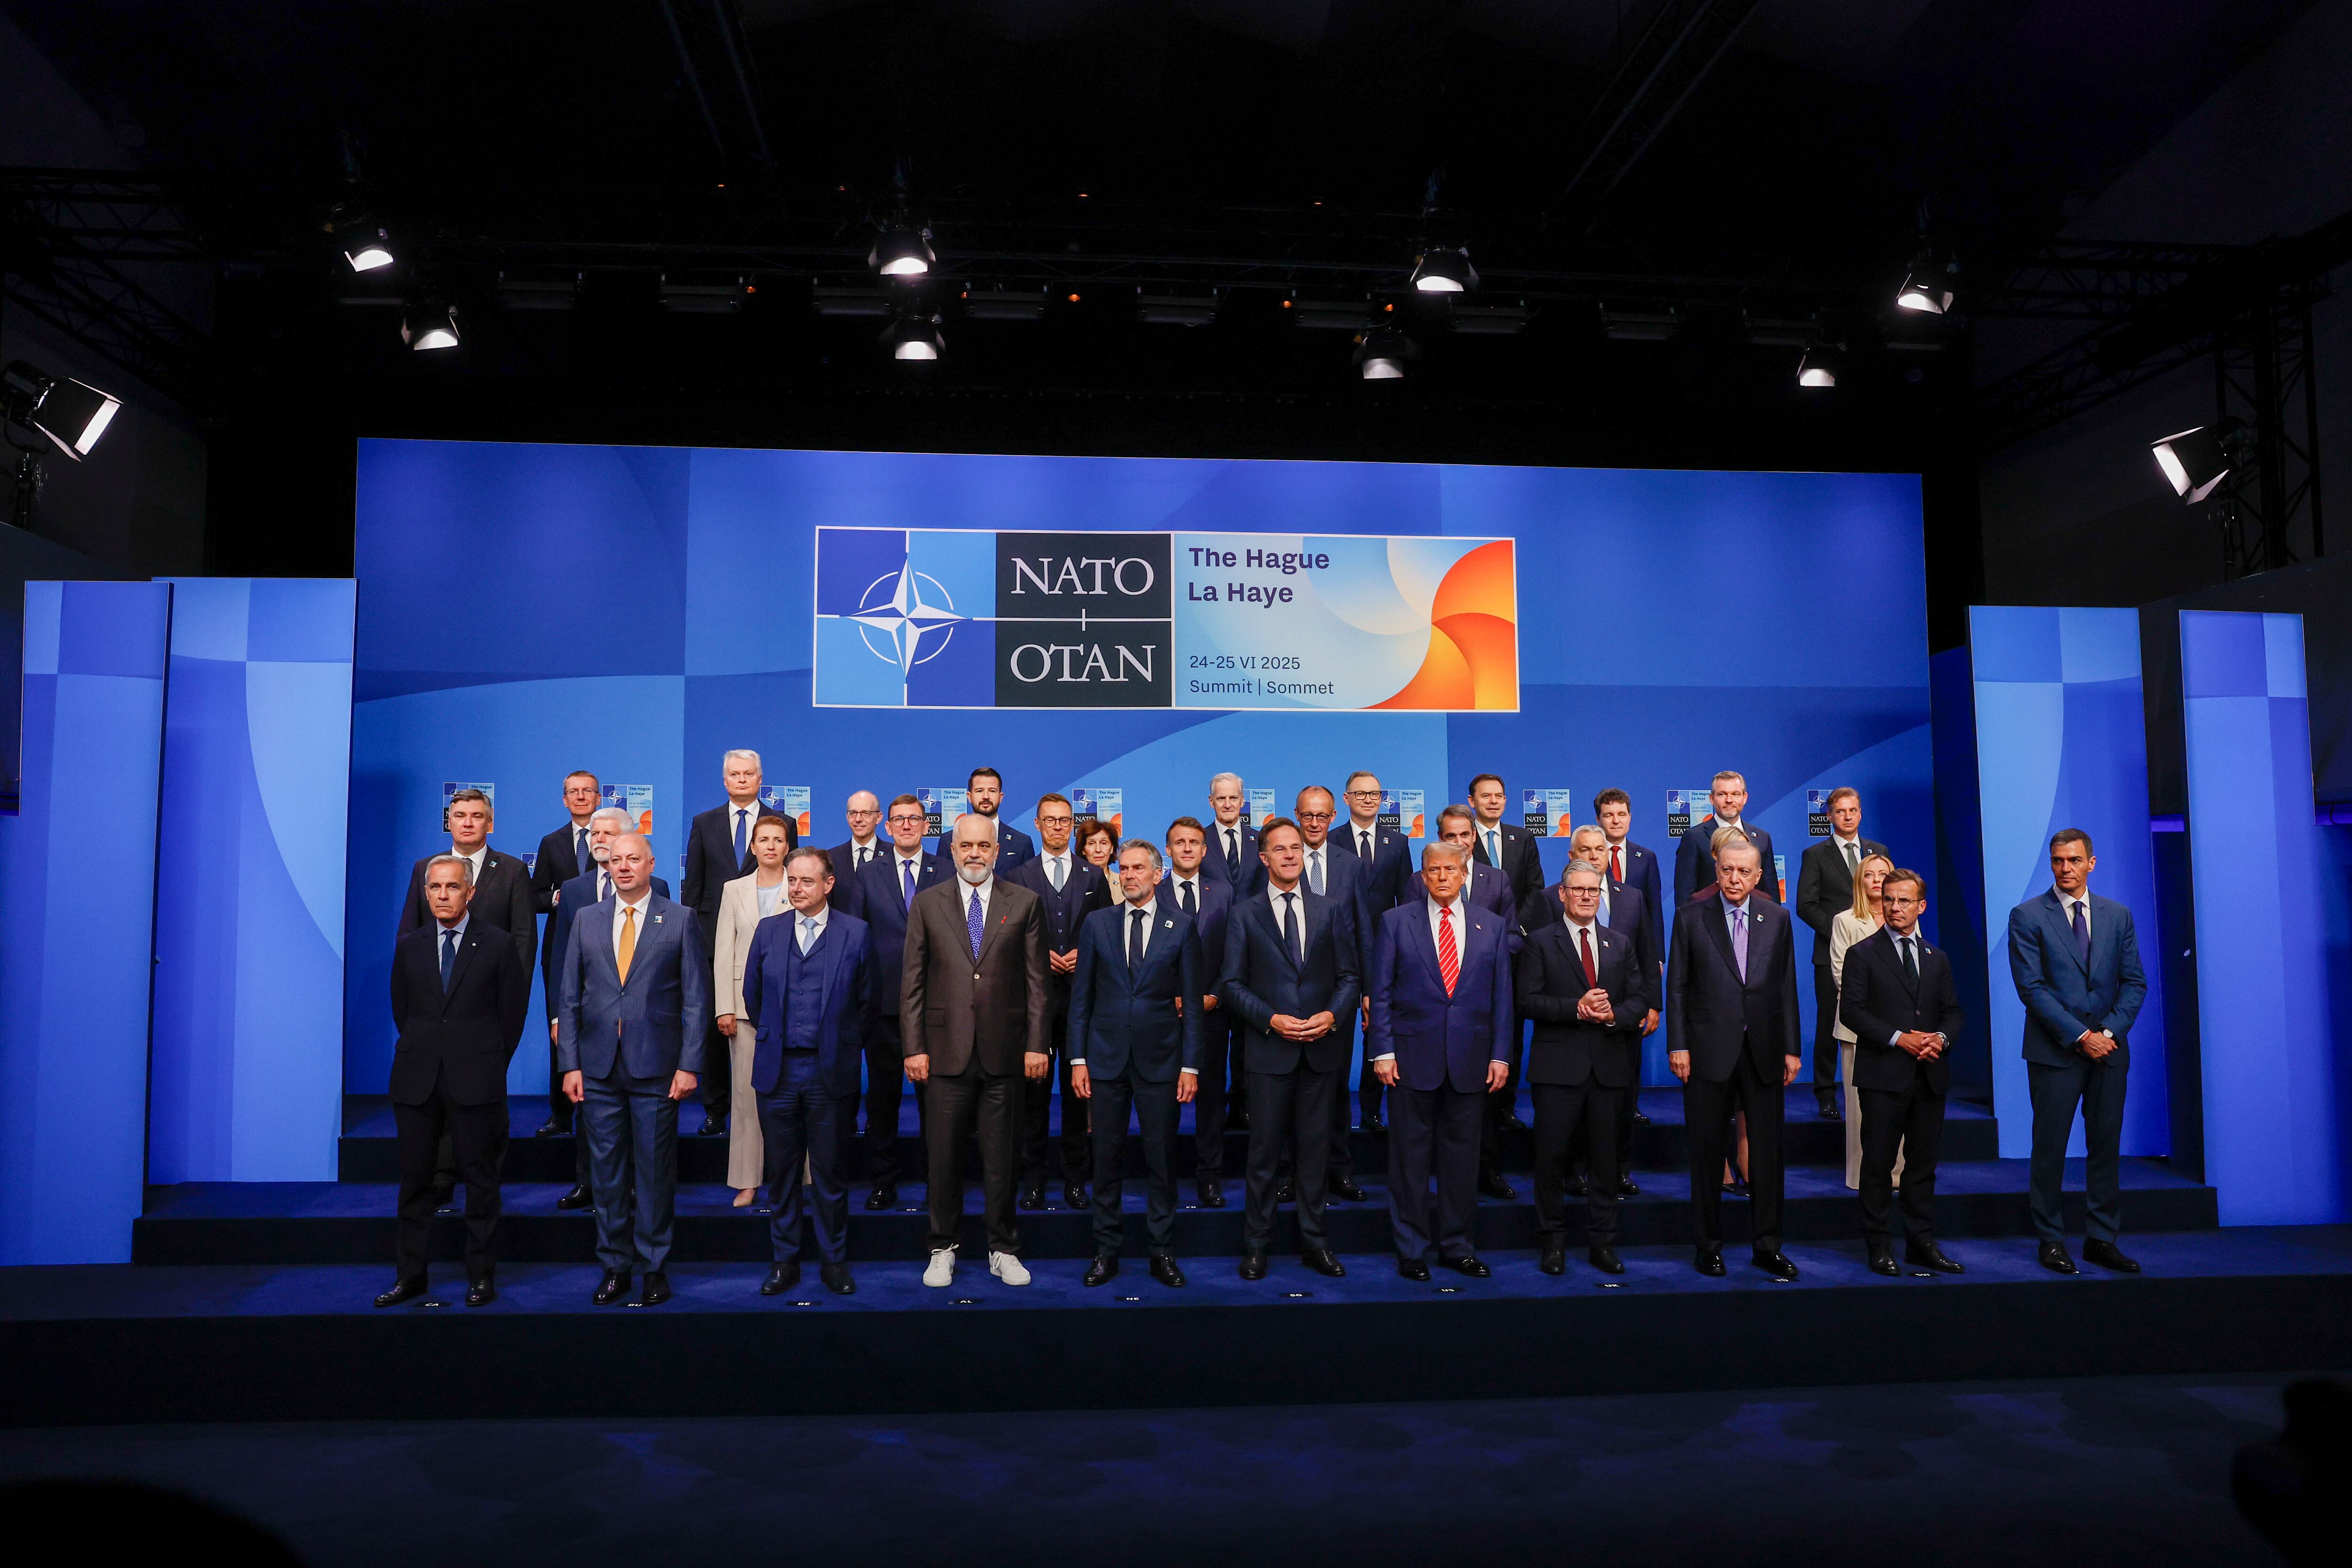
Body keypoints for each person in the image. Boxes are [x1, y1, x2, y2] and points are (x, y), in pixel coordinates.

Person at [556, 833, 709, 1307]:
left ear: (651, 864)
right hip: (598, 1067)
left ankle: (654, 1267)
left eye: (632, 860)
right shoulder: (586, 919)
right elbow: (569, 997)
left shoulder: (680, 918)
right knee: (605, 1175)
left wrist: (689, 1065)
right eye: (615, 860)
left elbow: (696, 998)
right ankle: (615, 1267)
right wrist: (570, 1065)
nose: (623, 867)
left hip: (658, 1069)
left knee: (655, 1174)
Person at [903, 813, 1050, 1289]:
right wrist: (914, 1047)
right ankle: (941, 1247)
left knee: (1001, 1159)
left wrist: (1035, 1044)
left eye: (982, 846)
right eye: (965, 846)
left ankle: (1002, 1247)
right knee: (942, 1157)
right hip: (943, 1053)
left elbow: (1037, 983)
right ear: (951, 850)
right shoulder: (926, 904)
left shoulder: (1025, 902)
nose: (973, 854)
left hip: (1004, 1054)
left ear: (996, 850)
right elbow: (913, 984)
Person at [376, 855, 530, 1309]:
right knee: (415, 1183)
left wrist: (488, 1061)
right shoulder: (410, 945)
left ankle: (481, 1278)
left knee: (481, 1183)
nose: (444, 895)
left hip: (476, 1078)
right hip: (417, 1079)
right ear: (427, 893)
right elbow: (403, 1010)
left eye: (453, 887)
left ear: (471, 893)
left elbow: (512, 1015)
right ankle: (411, 1277)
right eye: (436, 888)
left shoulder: (499, 945)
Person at [1219, 816, 1360, 1281]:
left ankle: (1314, 1244)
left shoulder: (1331, 908)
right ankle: (1256, 1246)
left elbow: (1348, 977)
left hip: (1320, 1051)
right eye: (1278, 849)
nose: (1288, 855)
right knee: (1262, 1157)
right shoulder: (1244, 913)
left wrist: (1332, 1016)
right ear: (1263, 859)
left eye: (1294, 848)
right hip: (1267, 1052)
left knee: (1314, 1154)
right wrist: (1270, 1019)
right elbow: (1232, 984)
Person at [1367, 840, 1514, 1280]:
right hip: (1410, 1060)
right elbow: (1383, 992)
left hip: (1471, 1060)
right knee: (1409, 1162)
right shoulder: (1395, 922)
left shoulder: (1492, 925)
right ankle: (1411, 1248)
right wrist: (1383, 1050)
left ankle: (1456, 1246)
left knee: (1461, 1162)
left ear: (1465, 873)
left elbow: (1501, 997)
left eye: (1452, 869)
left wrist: (1501, 1054)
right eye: (1434, 870)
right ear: (1424, 876)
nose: (1443, 876)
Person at [2008, 828, 2147, 1276]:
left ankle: (2102, 1239)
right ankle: (2051, 1240)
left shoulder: (2118, 915)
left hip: (2109, 1052)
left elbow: (2134, 983)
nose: (2064, 868)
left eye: (2073, 860)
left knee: (2105, 1148)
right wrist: (2080, 1036)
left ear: (2091, 862)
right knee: (2049, 1149)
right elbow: (2031, 988)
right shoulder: (2027, 915)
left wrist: (2106, 1031)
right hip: (2056, 1053)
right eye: (2057, 861)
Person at [1068, 838, 1205, 1288]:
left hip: (1162, 1063)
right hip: (1104, 1062)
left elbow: (1192, 1003)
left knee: (1161, 1162)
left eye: (1137, 869)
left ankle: (1162, 1251)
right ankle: (1106, 1252)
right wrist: (1078, 1058)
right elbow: (1081, 999)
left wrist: (1190, 1065)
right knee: (1105, 1161)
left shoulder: (1181, 925)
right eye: (1122, 869)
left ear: (1157, 874)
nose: (1128, 876)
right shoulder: (1096, 924)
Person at [739, 847, 875, 1297]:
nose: (797, 889)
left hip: (829, 1072)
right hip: (777, 1072)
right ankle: (785, 1261)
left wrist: (838, 1044)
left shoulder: (856, 934)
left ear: (828, 885)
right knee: (781, 1172)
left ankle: (834, 1261)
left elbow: (866, 1004)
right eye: (792, 881)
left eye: (807, 882)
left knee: (831, 1173)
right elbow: (753, 997)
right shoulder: (768, 930)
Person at [1665, 835, 1802, 1280]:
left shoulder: (1778, 918)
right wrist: (1678, 1043)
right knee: (1706, 1155)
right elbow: (1679, 987)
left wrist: (1792, 1047)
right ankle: (1708, 1246)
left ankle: (1767, 1246)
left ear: (1760, 875)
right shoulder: (1690, 917)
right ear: (1716, 869)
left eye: (1745, 871)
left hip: (1763, 1051)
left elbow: (1786, 988)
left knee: (1767, 1154)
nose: (1735, 878)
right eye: (1727, 870)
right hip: (1706, 1052)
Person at [1517, 860, 1648, 1276]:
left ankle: (1602, 1244)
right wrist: (1577, 1008)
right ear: (1563, 894)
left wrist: (1611, 1016)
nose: (1587, 896)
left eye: (1594, 889)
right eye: (1579, 890)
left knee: (1606, 1163)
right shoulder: (1540, 942)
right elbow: (1527, 1001)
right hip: (1557, 1070)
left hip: (1609, 1068)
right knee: (1552, 1160)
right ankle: (1552, 1244)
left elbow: (1638, 1000)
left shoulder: (1619, 942)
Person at [1838, 868, 1965, 1277]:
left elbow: (1953, 1012)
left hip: (1929, 1075)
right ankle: (1879, 1245)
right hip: (1882, 1076)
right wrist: (1899, 1038)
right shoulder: (1863, 953)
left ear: (1920, 906)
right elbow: (1853, 1011)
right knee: (1877, 1165)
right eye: (1889, 899)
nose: (1895, 907)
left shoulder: (1937, 957)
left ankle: (1920, 1243)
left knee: (1923, 1166)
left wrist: (1941, 1039)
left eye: (1904, 900)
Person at [542, 806, 671, 1208]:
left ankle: (632, 1185)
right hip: (587, 1018)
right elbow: (561, 955)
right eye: (594, 832)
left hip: (640, 1022)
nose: (597, 838)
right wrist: (559, 1014)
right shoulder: (575, 888)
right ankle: (588, 1183)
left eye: (607, 833)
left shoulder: (659, 886)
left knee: (636, 1118)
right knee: (591, 1110)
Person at [1533, 824, 1659, 1200]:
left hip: (1618, 1026)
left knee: (1619, 1109)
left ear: (1609, 854)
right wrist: (1577, 1007)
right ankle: (1575, 1173)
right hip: (1566, 1036)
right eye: (1584, 850)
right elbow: (1543, 961)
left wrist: (1651, 1004)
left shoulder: (1632, 897)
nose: (1593, 856)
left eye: (1599, 850)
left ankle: (1618, 1171)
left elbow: (1647, 952)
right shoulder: (1548, 900)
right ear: (1572, 856)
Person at [1007, 793, 1113, 1210]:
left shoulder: (1093, 876)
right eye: (1049, 820)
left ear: (1073, 825)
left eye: (1064, 820)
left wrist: (1084, 955)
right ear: (1037, 825)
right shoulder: (1017, 875)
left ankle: (1075, 1179)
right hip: (1032, 1002)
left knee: (1077, 1094)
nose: (1057, 827)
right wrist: (1036, 955)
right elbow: (1005, 939)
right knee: (1032, 1097)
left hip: (1081, 1002)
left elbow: (1107, 933)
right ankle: (1032, 1178)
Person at [684, 749, 794, 1140]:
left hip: (777, 945)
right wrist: (694, 943)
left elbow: (792, 880)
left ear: (760, 779)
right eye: (735, 773)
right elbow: (693, 888)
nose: (742, 779)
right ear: (725, 780)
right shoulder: (704, 822)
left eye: (749, 773)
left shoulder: (784, 824)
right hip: (717, 943)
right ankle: (716, 1110)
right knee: (719, 1032)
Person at [844, 794, 947, 1209]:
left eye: (914, 819)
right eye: (899, 819)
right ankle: (883, 1181)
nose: (906, 825)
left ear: (926, 826)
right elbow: (855, 938)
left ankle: (936, 1181)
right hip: (884, 1005)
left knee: (936, 1104)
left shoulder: (946, 870)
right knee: (883, 1102)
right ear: (887, 827)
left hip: (937, 1006)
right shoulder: (867, 874)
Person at [1423, 804, 1528, 1201]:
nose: (1458, 843)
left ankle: (1488, 1170)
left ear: (1474, 837)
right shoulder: (1424, 880)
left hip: (1481, 1005)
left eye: (1464, 836)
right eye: (1449, 836)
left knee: (1485, 1104)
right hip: (1435, 1011)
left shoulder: (1497, 879)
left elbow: (1514, 936)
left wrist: (1480, 948)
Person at [1290, 786, 1375, 1204]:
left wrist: (1369, 991)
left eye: (1322, 816)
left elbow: (1363, 928)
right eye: (1308, 815)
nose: (1315, 823)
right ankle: (1293, 1173)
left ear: (1333, 816)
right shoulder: (1277, 858)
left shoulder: (1350, 865)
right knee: (1292, 1090)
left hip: (1338, 994)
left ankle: (1338, 1170)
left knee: (1338, 1088)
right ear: (1297, 815)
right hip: (1288, 995)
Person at [712, 815, 794, 1208]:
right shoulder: (734, 889)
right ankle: (747, 1180)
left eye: (778, 839)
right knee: (746, 1098)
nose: (771, 846)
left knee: (796, 1095)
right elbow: (723, 950)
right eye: (763, 839)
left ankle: (799, 1177)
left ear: (788, 846)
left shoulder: (800, 883)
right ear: (753, 846)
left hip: (794, 1007)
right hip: (744, 1010)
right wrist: (724, 1007)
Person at [1795, 787, 1890, 1120]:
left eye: (1853, 810)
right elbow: (1805, 905)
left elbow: (1889, 899)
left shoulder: (1878, 852)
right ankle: (1825, 1092)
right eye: (1840, 811)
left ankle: (1877, 1084)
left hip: (1880, 953)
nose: (1847, 816)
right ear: (1830, 816)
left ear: (1860, 813)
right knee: (1829, 1024)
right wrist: (1841, 932)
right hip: (1831, 953)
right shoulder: (1816, 854)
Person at [1161, 816, 1235, 1206]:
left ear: (1205, 851)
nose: (1187, 848)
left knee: (1210, 1098)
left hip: (1212, 1012)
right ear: (1168, 850)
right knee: (1163, 1101)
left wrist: (1216, 995)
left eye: (1194, 842)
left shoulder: (1224, 893)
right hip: (1164, 1014)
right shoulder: (1152, 892)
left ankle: (1210, 1177)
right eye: (1179, 842)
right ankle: (1166, 1178)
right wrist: (1166, 996)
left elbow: (1235, 952)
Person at [530, 771, 603, 1136]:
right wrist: (559, 897)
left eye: (587, 791)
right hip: (561, 946)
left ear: (599, 797)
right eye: (573, 792)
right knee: (560, 1030)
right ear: (564, 800)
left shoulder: (614, 838)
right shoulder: (551, 842)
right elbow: (535, 895)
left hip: (607, 950)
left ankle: (600, 1109)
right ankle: (560, 1113)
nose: (580, 797)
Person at [399, 788, 535, 976]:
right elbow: (409, 933)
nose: (468, 824)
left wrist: (516, 996)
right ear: (449, 822)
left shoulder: (514, 871)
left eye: (477, 816)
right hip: (433, 986)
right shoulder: (424, 868)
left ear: (489, 822)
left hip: (491, 989)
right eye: (460, 816)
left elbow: (524, 940)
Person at [1828, 852, 1894, 1190]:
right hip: (1858, 1028)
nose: (1877, 880)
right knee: (1859, 1109)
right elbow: (1842, 974)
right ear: (1860, 881)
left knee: (1897, 1105)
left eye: (1884, 874)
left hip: (1900, 1031)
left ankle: (1896, 1174)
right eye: (1870, 874)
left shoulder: (1904, 917)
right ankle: (1860, 1174)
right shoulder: (1845, 920)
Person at [1673, 770, 1780, 905]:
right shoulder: (1694, 838)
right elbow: (1685, 895)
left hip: (1752, 922)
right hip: (1709, 922)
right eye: (1722, 794)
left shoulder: (1762, 838)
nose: (1729, 800)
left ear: (1745, 798)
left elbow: (1771, 893)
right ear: (1712, 799)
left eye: (1735, 794)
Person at [1466, 772, 1545, 914]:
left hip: (1517, 931)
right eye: (1486, 796)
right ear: (1472, 801)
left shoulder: (1523, 838)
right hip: (1476, 928)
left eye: (1499, 796)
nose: (1494, 801)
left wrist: (1518, 927)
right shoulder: (1463, 839)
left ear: (1505, 800)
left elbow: (1535, 889)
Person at [1202, 772, 1263, 898]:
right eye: (1221, 798)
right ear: (1211, 801)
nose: (1228, 805)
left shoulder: (1260, 840)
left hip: (1251, 917)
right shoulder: (1200, 840)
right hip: (1213, 917)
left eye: (1233, 798)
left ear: (1242, 801)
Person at [964, 766, 1036, 872]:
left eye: (992, 791)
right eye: (980, 791)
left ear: (1001, 796)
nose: (986, 797)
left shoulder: (1022, 843)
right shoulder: (950, 840)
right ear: (969, 797)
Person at [825, 790, 885, 910]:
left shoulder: (893, 854)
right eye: (853, 813)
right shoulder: (831, 857)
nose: (858, 819)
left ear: (879, 818)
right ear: (847, 817)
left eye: (865, 813)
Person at [1077, 817, 1121, 905]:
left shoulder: (1124, 881)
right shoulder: (1075, 882)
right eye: (1091, 843)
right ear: (1083, 850)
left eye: (1104, 843)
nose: (1098, 850)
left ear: (1112, 848)